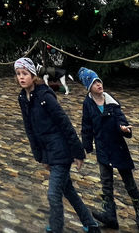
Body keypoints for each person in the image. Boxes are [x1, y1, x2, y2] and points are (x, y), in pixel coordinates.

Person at [15, 57, 100, 233]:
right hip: (48, 150)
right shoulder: (23, 97)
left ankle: (56, 228)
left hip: (61, 149)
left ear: (33, 75)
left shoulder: (45, 96)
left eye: (25, 74)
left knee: (53, 194)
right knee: (67, 189)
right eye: (18, 74)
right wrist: (39, 156)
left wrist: (78, 152)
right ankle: (90, 224)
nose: (21, 77)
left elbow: (64, 122)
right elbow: (30, 128)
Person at [78, 67, 139, 231]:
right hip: (103, 149)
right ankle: (110, 214)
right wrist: (86, 147)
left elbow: (122, 121)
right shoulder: (88, 104)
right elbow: (86, 126)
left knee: (129, 183)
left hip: (118, 147)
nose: (98, 84)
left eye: (99, 81)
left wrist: (124, 129)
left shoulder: (112, 103)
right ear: (88, 87)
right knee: (106, 183)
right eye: (94, 82)